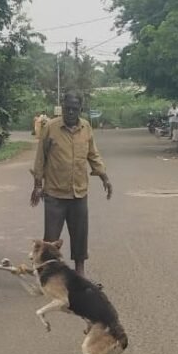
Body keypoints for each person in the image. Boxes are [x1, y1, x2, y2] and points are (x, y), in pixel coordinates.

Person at [30, 91, 113, 277]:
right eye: (67, 109)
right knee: (51, 238)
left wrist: (104, 177)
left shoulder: (86, 127)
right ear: (62, 107)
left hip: (79, 193)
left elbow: (93, 154)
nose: (70, 113)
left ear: (80, 109)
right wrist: (37, 185)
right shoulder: (50, 128)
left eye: (74, 109)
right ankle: (47, 271)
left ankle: (79, 269)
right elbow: (40, 158)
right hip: (54, 194)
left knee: (80, 235)